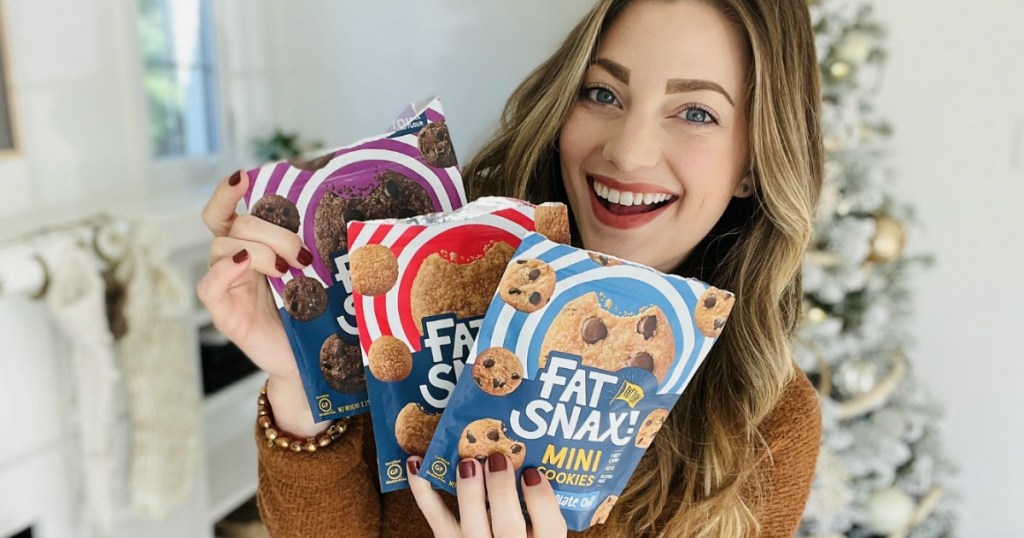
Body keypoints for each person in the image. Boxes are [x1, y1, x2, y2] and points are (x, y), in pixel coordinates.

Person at [198, 0, 824, 536]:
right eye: (602, 93)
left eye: (696, 113)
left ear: (754, 159)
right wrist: (299, 378)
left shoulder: (767, 423)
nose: (628, 151)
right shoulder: (422, 280)